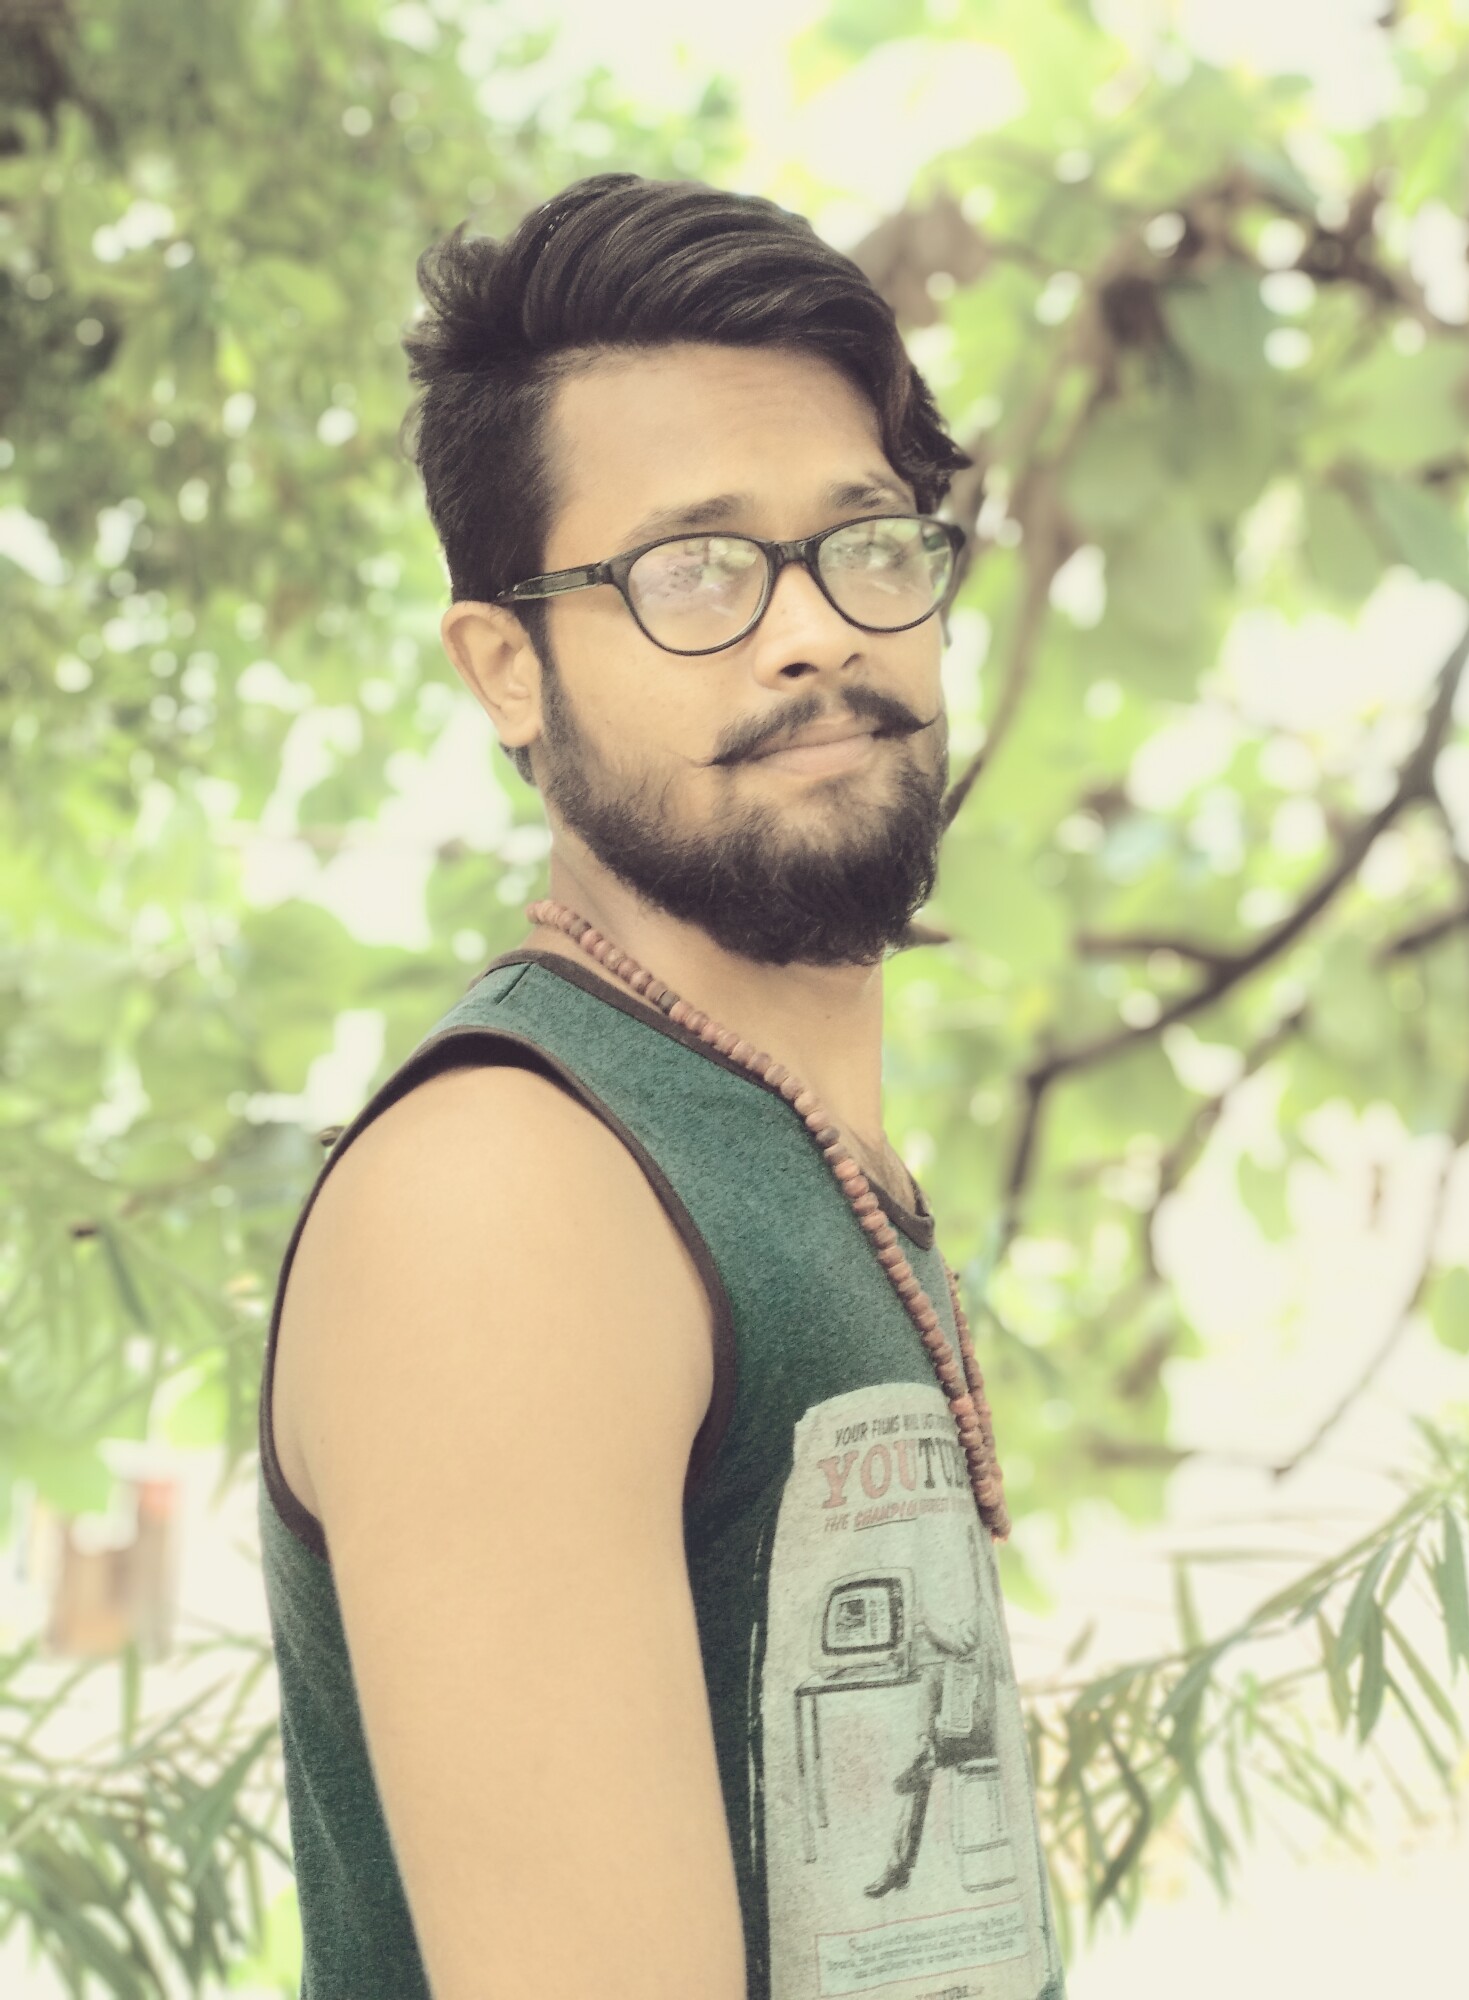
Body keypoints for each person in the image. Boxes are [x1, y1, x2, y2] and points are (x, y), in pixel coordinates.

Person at [256, 171, 1067, 2000]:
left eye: (864, 542)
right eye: (691, 570)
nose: (813, 630)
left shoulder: (774, 1147)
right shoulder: (512, 1196)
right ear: (509, 668)